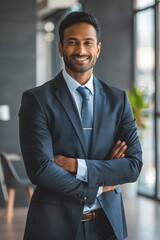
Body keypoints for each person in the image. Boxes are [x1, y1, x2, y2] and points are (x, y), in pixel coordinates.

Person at [19, 11, 143, 240]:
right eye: (72, 42)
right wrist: (97, 183)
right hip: (54, 227)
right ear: (60, 47)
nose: (81, 50)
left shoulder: (118, 100)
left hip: (108, 226)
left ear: (98, 48)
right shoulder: (37, 100)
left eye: (88, 43)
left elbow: (133, 166)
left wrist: (75, 165)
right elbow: (41, 169)